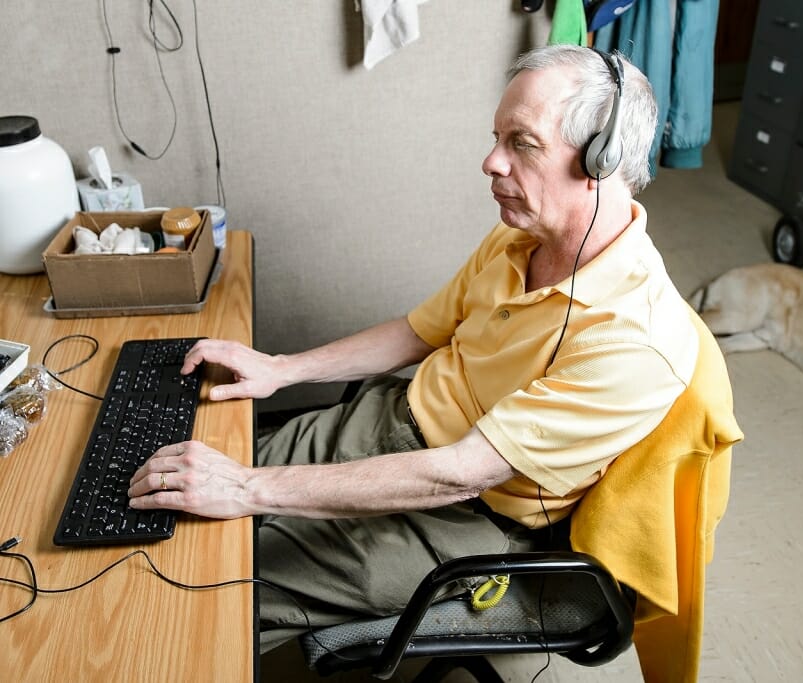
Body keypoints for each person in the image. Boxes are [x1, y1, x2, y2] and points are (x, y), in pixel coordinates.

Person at [127, 44, 699, 651]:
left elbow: (460, 475)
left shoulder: (635, 341)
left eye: (521, 143)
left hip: (456, 514)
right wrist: (280, 369)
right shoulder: (519, 237)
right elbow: (419, 330)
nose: (491, 162)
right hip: (388, 418)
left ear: (600, 162)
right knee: (166, 497)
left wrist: (246, 487)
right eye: (495, 137)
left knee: (193, 584)